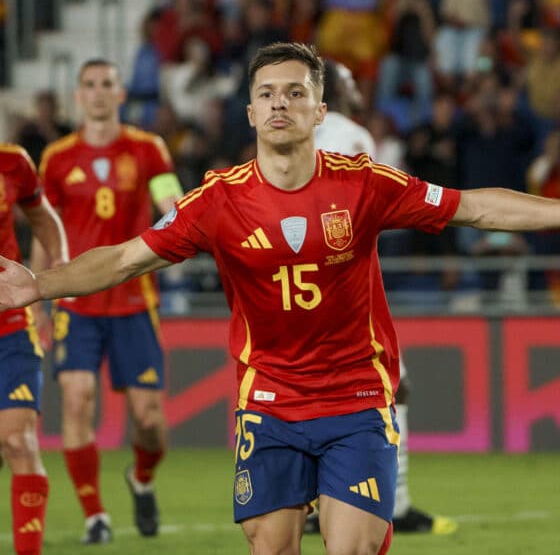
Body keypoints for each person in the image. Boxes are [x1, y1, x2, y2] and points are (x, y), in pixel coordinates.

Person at [2, 42, 560, 554]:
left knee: (353, 547)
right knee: (271, 546)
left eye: (296, 92)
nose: (279, 104)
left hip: (357, 397)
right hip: (269, 403)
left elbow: (473, 207)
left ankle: (369, 518)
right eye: (266, 93)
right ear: (249, 112)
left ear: (321, 111)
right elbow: (126, 257)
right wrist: (38, 283)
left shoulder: (365, 184)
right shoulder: (218, 202)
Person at [30, 58, 184, 544]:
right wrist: (35, 295)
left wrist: (178, 219)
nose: (98, 93)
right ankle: (95, 515)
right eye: (89, 85)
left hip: (134, 300)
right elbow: (44, 232)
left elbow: (169, 203)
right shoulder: (56, 158)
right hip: (75, 303)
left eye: (107, 85)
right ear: (79, 96)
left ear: (120, 94)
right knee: (77, 401)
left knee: (151, 423)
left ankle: (141, 478)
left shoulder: (148, 149)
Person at [312, 59, 457, 535]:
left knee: (309, 395)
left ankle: (315, 505)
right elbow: (352, 208)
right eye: (352, 80)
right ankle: (395, 504)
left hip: (295, 287)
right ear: (335, 89)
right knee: (394, 386)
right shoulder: (353, 135)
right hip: (343, 288)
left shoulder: (287, 138)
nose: (359, 88)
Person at [0, 143, 67, 555]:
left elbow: (43, 217)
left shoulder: (13, 163)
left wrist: (59, 267)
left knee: (19, 441)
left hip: (10, 326)